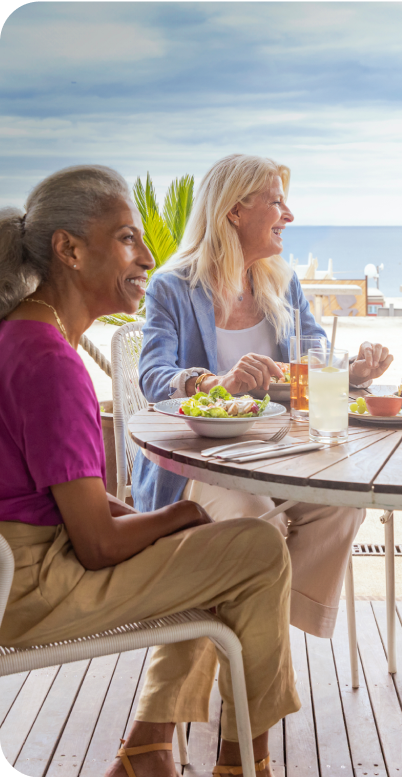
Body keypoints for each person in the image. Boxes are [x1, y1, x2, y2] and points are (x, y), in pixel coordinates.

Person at [0, 165, 298, 777]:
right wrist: (183, 514)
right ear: (70, 250)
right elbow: (99, 544)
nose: (149, 254)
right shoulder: (51, 362)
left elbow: (60, 494)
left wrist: (167, 526)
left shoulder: (21, 336)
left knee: (231, 547)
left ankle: (153, 750)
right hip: (29, 588)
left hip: (22, 561)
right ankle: (242, 762)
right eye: (128, 238)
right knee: (257, 550)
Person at [132, 153, 392, 640]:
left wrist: (351, 372)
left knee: (341, 507)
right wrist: (214, 384)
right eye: (276, 202)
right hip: (200, 462)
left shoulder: (282, 281)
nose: (289, 216)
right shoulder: (173, 286)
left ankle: (261, 633)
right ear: (234, 211)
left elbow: (316, 360)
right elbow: (153, 375)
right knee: (256, 528)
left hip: (280, 456)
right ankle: (256, 647)